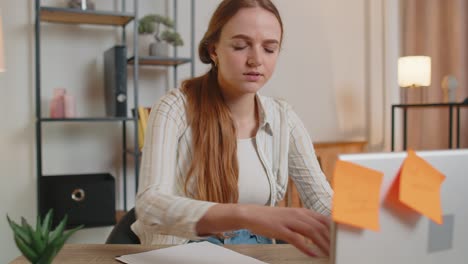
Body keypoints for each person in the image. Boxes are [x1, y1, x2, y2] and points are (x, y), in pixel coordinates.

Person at [131, 0, 333, 257]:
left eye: (270, 49)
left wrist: (366, 226)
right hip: (184, 252)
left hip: (256, 252)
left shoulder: (284, 118)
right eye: (240, 46)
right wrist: (246, 214)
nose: (256, 60)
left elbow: (322, 201)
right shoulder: (174, 108)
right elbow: (150, 206)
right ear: (213, 50)